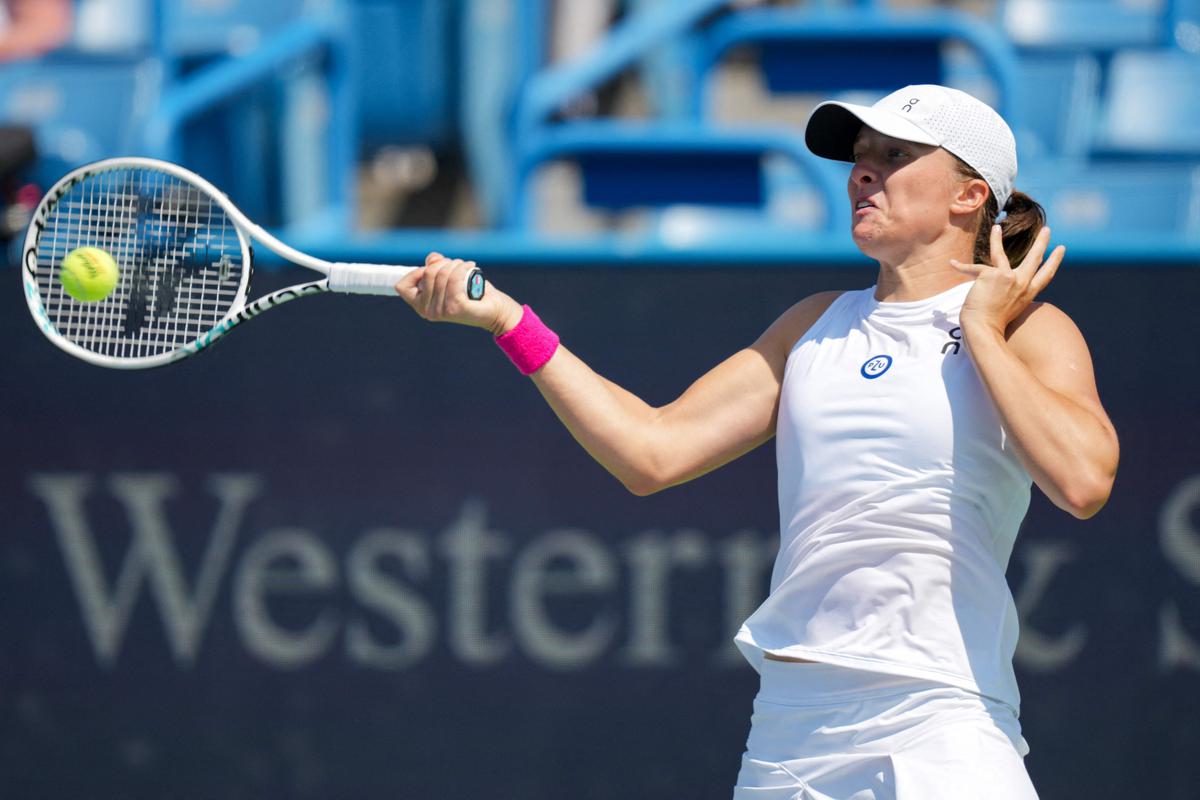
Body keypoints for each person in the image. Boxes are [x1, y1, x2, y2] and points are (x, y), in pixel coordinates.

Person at [394, 84, 1120, 799]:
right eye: (859, 157)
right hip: (791, 732)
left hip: (941, 719)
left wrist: (984, 329)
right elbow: (652, 452)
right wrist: (509, 321)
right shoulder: (812, 324)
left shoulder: (1031, 331)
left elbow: (1083, 483)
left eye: (895, 155)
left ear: (969, 195)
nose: (863, 172)